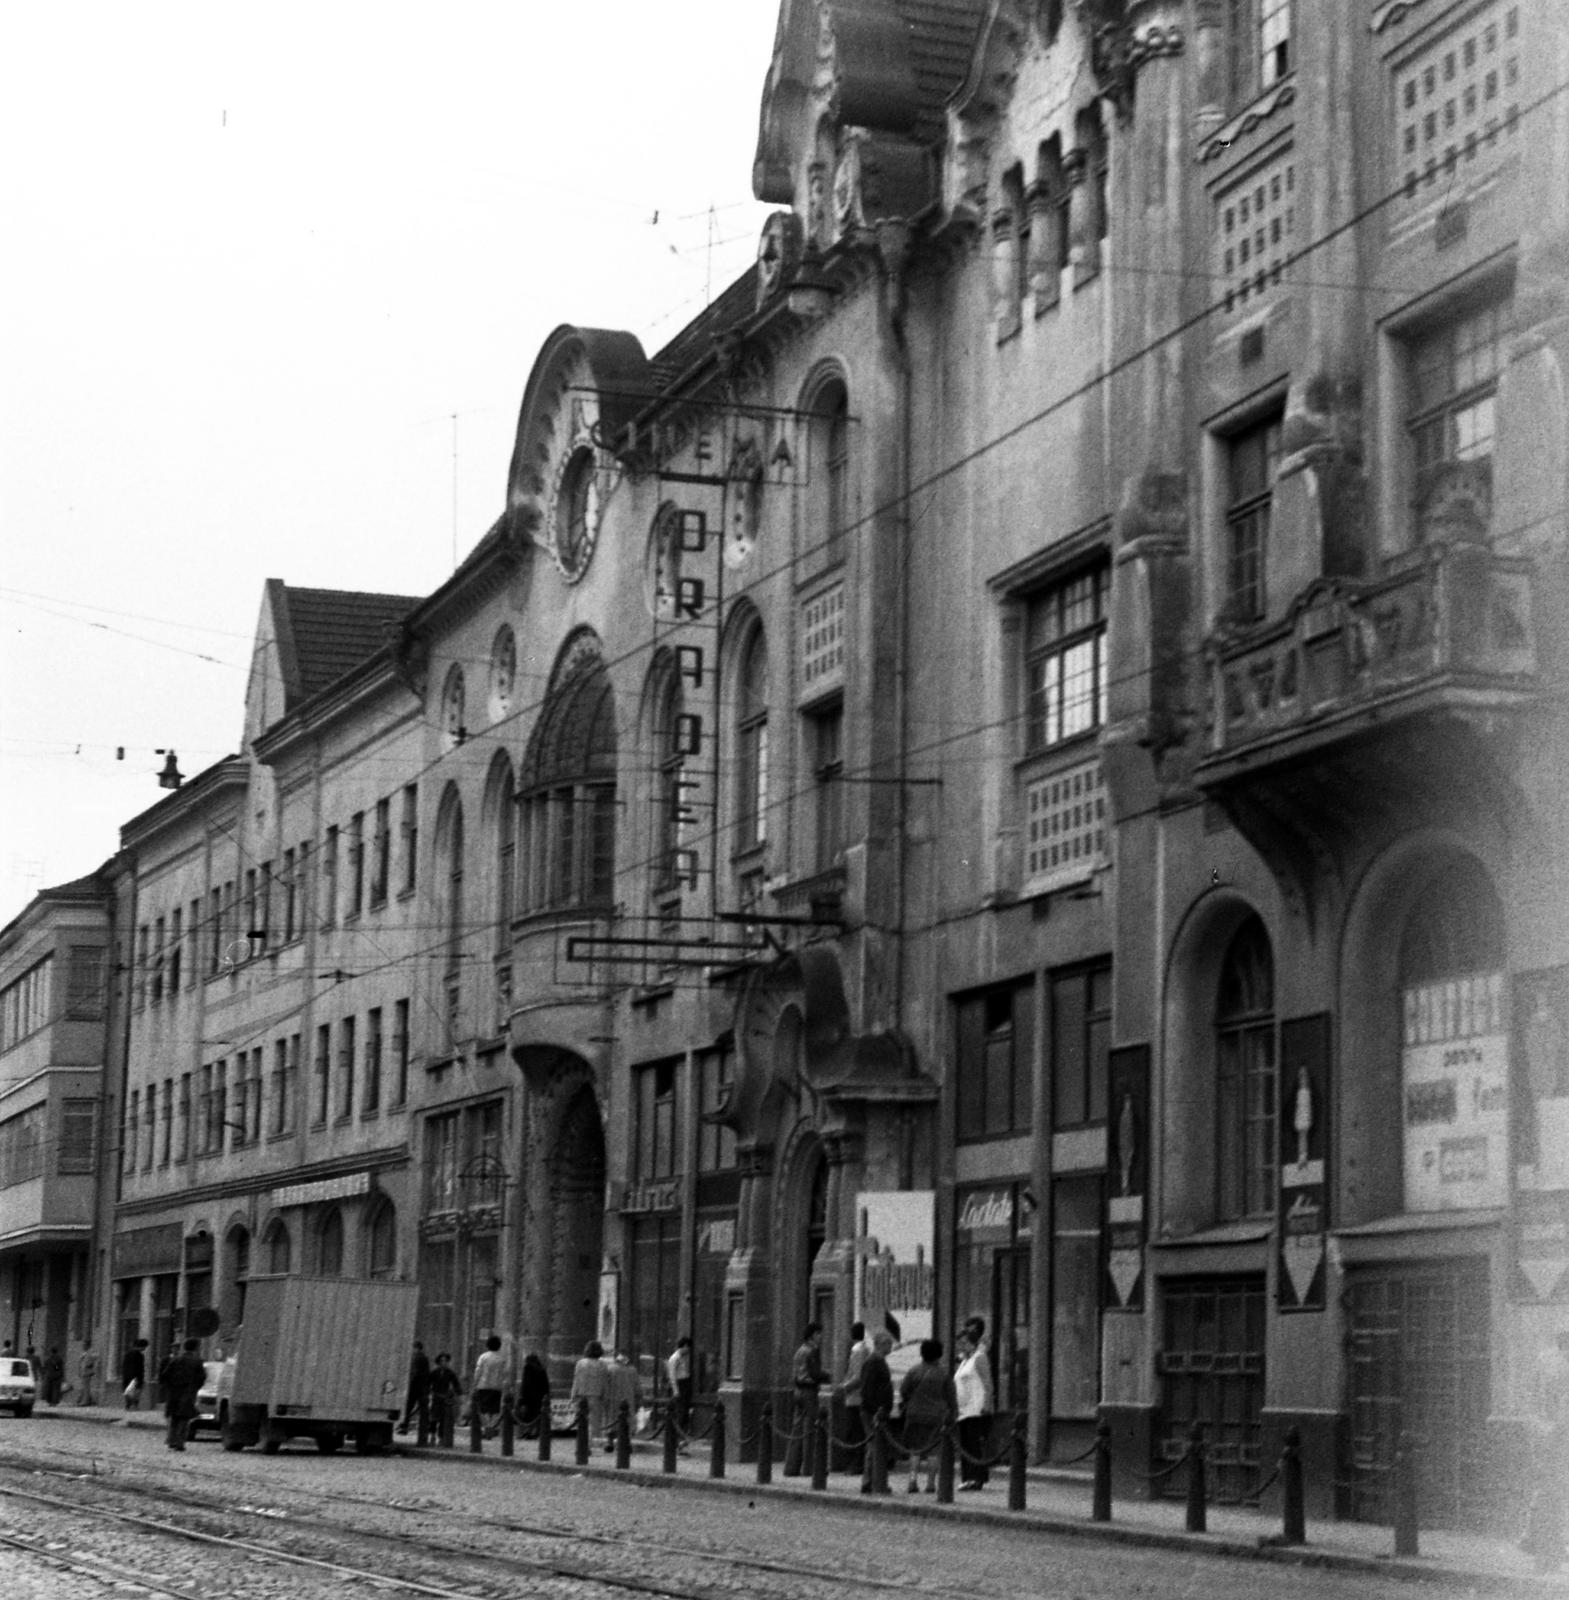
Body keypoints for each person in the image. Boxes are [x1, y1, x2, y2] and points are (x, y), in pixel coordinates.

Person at [1522, 1328, 1569, 1572]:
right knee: (1550, 1495)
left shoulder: (1547, 1360)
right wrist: (1541, 1429)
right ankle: (1544, 1554)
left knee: (1554, 1496)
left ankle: (1550, 1550)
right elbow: (1532, 1399)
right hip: (1552, 1436)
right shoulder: (1546, 1360)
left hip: (1555, 1434)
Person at [899, 1337, 956, 1494]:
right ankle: (931, 1484)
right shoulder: (943, 1374)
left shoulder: (914, 1371)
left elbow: (904, 1391)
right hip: (936, 1415)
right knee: (934, 1451)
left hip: (915, 1414)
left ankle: (912, 1481)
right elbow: (951, 1397)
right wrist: (953, 1414)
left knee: (915, 1450)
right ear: (939, 1354)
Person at [783, 1321, 828, 1477]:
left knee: (797, 1430)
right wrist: (829, 1376)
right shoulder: (812, 1351)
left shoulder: (800, 1350)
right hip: (809, 1391)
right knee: (810, 1429)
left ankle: (791, 1467)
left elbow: (796, 1373)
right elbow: (815, 1373)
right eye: (819, 1334)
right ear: (813, 1335)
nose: (821, 1337)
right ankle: (809, 1468)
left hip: (798, 1391)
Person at [954, 1322, 993, 1490]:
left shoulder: (979, 1358)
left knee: (974, 1444)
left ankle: (976, 1478)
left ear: (972, 1342)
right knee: (966, 1445)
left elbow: (987, 1383)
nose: (961, 1347)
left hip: (975, 1409)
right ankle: (968, 1477)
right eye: (960, 1344)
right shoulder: (964, 1361)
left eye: (964, 1343)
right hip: (963, 1410)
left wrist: (987, 1404)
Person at [858, 1328, 896, 1493]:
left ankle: (872, 1480)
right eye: (889, 1344)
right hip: (873, 1412)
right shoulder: (873, 1362)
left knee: (876, 1446)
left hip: (878, 1411)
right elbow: (867, 1389)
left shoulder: (879, 1361)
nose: (891, 1347)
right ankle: (871, 1481)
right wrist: (875, 1411)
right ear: (881, 1345)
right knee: (875, 1446)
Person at [157, 1338, 206, 1451]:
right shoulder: (197, 1361)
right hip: (188, 1393)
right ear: (195, 1348)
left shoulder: (176, 1359)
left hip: (174, 1393)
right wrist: (195, 1387)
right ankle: (179, 1442)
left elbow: (164, 1375)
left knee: (174, 1417)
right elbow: (202, 1377)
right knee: (184, 1418)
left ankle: (171, 1440)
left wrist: (170, 1387)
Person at [836, 1321, 870, 1476]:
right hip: (859, 1396)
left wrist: (844, 1387)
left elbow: (857, 1376)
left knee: (854, 1433)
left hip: (855, 1397)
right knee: (858, 1432)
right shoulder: (865, 1349)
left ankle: (856, 1465)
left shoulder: (857, 1350)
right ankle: (858, 1464)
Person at [570, 1339, 609, 1441]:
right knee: (595, 1423)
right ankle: (594, 1442)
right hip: (597, 1396)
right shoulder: (603, 1365)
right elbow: (605, 1383)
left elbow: (576, 1381)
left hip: (582, 1396)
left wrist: (573, 1396)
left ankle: (583, 1443)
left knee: (582, 1422)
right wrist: (605, 1396)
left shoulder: (581, 1364)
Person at [603, 1350, 641, 1451]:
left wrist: (605, 1398)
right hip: (628, 1400)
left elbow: (605, 1385)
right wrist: (639, 1399)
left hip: (613, 1400)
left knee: (611, 1420)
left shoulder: (610, 1368)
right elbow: (638, 1388)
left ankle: (609, 1442)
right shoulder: (633, 1370)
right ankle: (626, 1442)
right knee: (628, 1421)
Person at [472, 1334, 507, 1439]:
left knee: (484, 1409)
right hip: (497, 1387)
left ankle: (487, 1428)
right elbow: (505, 1373)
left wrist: (475, 1383)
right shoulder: (502, 1359)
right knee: (494, 1410)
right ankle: (491, 1427)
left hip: (483, 1385)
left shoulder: (483, 1357)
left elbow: (478, 1371)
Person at [665, 1335, 693, 1451]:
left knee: (684, 1413)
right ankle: (677, 1440)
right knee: (680, 1413)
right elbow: (672, 1376)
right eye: (688, 1347)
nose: (689, 1350)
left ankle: (681, 1440)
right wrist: (676, 1390)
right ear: (684, 1346)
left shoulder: (682, 1358)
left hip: (685, 1385)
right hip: (680, 1386)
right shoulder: (674, 1358)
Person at [428, 1352, 462, 1442]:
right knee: (433, 1418)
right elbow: (428, 1383)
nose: (444, 1363)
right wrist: (428, 1393)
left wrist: (459, 1394)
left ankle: (441, 1436)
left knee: (443, 1418)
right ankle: (432, 1434)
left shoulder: (450, 1373)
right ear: (439, 1362)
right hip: (435, 1396)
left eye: (446, 1361)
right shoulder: (434, 1372)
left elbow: (456, 1384)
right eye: (442, 1361)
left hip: (444, 1397)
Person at [399, 1339, 431, 1434]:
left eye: (414, 1348)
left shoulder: (416, 1358)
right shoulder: (424, 1358)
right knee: (423, 1408)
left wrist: (410, 1383)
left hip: (415, 1387)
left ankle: (404, 1426)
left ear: (416, 1348)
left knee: (409, 1407)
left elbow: (415, 1373)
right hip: (422, 1387)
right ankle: (426, 1427)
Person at [518, 1352, 550, 1436]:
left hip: (529, 1397)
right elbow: (546, 1385)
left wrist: (522, 1397)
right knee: (537, 1414)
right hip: (540, 1397)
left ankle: (527, 1431)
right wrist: (546, 1396)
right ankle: (536, 1431)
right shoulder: (542, 1369)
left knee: (528, 1415)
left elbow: (525, 1383)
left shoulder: (527, 1368)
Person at [121, 1338, 149, 1410]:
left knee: (128, 1392)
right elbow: (138, 1368)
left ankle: (128, 1406)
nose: (144, 1349)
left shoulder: (127, 1354)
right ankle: (133, 1406)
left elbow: (124, 1366)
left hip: (126, 1376)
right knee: (136, 1392)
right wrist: (136, 1378)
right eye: (144, 1347)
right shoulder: (139, 1356)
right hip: (135, 1377)